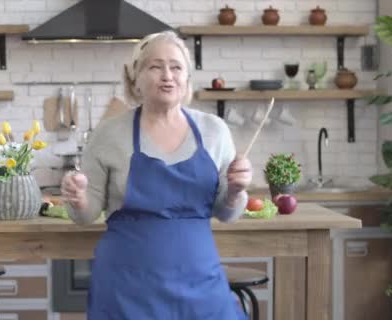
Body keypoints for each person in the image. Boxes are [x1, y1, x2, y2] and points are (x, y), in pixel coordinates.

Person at [60, 30, 253, 319]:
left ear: (187, 78)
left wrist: (237, 191)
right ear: (134, 78)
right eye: (155, 66)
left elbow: (227, 213)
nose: (167, 75)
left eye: (176, 67)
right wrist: (77, 198)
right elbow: (86, 215)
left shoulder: (214, 131)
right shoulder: (109, 133)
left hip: (200, 282)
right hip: (126, 286)